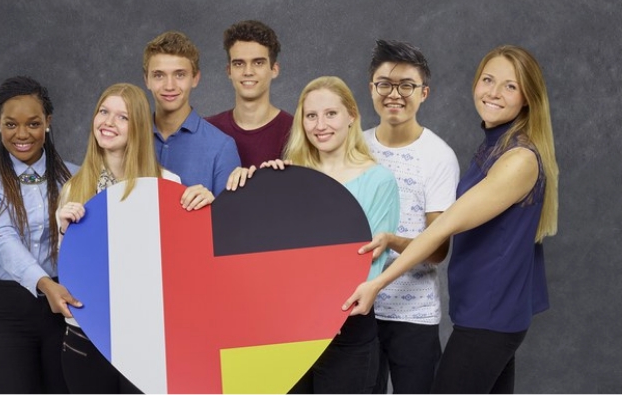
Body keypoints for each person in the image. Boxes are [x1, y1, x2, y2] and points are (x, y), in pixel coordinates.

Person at [344, 45, 559, 394]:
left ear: (528, 98)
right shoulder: (495, 146)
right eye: (488, 79)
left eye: (510, 86)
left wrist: (376, 285)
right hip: (484, 311)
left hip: (491, 315)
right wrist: (392, 242)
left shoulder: (518, 158)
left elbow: (443, 227)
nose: (493, 92)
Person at [228, 76, 400, 393]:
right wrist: (247, 188)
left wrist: (320, 314)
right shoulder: (288, 175)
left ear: (352, 116)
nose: (320, 125)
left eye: (331, 114)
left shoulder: (379, 181)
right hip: (287, 335)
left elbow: (369, 265)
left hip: (346, 333)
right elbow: (262, 253)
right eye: (311, 116)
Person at [55, 83, 183, 393]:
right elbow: (70, 275)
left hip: (147, 342)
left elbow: (176, 269)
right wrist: (64, 233)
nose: (108, 122)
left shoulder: (167, 184)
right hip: (86, 338)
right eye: (103, 112)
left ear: (138, 126)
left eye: (122, 117)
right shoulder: (74, 188)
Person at [0, 76, 78, 393]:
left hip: (64, 308)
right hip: (6, 312)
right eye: (11, 124)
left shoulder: (75, 176)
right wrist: (44, 284)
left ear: (48, 123)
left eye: (33, 123)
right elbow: (0, 238)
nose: (22, 134)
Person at [360, 39, 459, 394]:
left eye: (407, 86)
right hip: (356, 309)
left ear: (424, 93)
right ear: (372, 88)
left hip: (413, 314)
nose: (394, 94)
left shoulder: (438, 157)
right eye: (384, 84)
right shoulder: (354, 145)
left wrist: (391, 241)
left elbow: (437, 250)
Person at [143, 30, 241, 202]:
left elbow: (233, 223)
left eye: (180, 75)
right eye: (159, 75)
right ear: (147, 80)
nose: (169, 86)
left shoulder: (221, 148)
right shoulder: (128, 139)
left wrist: (213, 207)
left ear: (195, 78)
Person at [205, 20, 293, 167]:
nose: (248, 72)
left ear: (274, 70)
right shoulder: (208, 130)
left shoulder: (294, 131)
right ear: (229, 71)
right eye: (239, 64)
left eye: (258, 63)